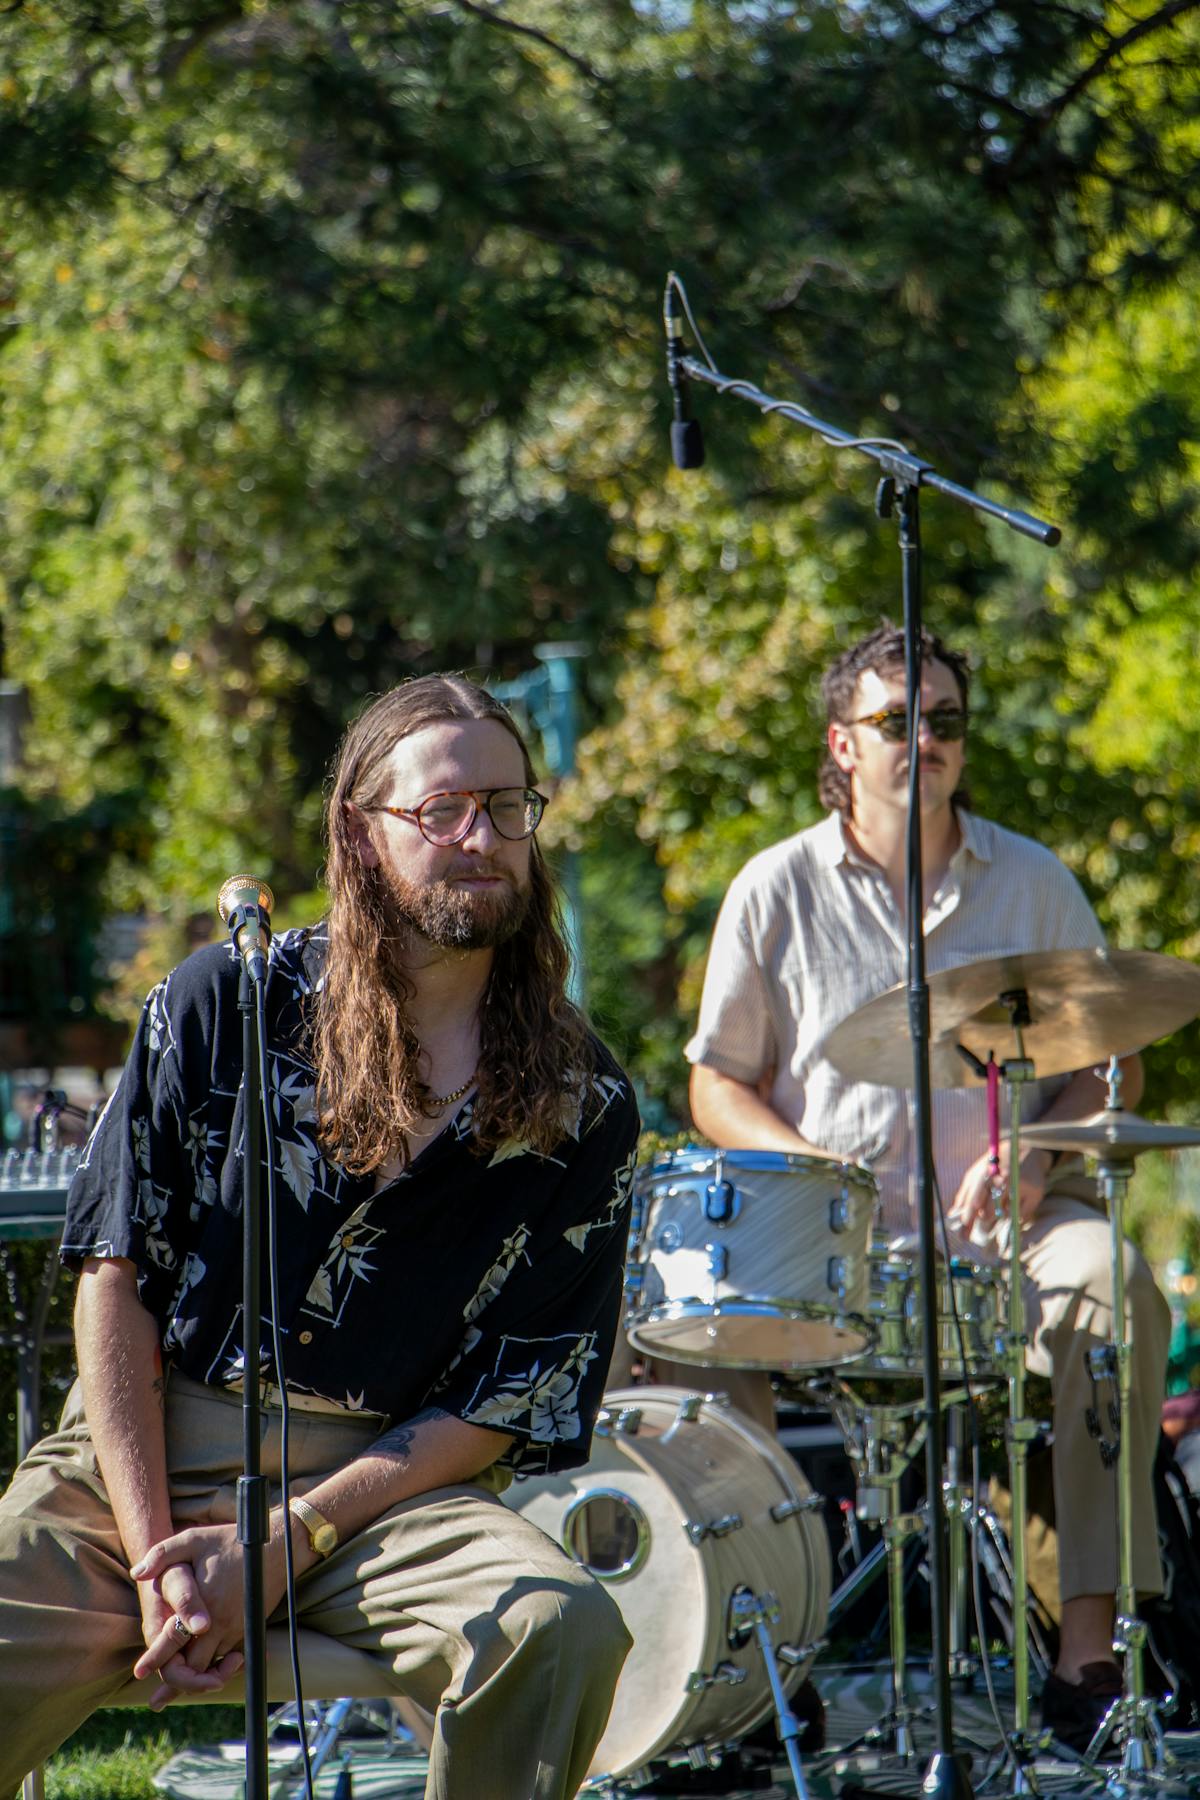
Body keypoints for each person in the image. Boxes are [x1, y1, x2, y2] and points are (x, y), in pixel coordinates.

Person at [0, 675, 640, 1800]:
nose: (480, 837)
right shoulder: (221, 1002)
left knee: (560, 1623)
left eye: (507, 806)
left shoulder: (585, 1099)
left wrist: (287, 1540)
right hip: (149, 1449)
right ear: (359, 828)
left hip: (387, 1487)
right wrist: (163, 1564)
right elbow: (115, 1282)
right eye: (440, 811)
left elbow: (506, 1399)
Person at [684, 622, 1171, 1752]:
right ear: (840, 745)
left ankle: (1086, 1660)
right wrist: (809, 1167)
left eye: (945, 721)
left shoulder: (1034, 881)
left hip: (1014, 1231)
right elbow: (716, 1083)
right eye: (897, 721)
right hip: (830, 1240)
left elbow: (1113, 1062)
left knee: (1121, 1288)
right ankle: (768, 1664)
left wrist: (1037, 1158)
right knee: (720, 1327)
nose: (927, 740)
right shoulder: (775, 887)